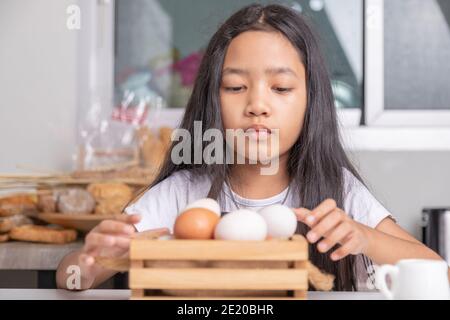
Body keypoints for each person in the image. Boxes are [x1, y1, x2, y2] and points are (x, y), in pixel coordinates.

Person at [57, 4, 445, 291]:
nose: (257, 105)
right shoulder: (182, 196)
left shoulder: (337, 194)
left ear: (312, 102)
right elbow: (70, 277)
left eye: (280, 88)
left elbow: (441, 275)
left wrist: (366, 238)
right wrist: (95, 260)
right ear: (213, 98)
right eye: (236, 87)